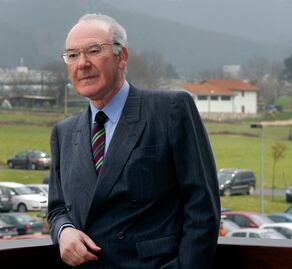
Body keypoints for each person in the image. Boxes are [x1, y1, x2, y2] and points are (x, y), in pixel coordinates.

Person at [47, 13, 220, 269]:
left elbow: (202, 208)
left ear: (122, 56)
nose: (82, 63)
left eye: (94, 50)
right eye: (72, 55)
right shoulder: (63, 133)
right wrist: (64, 231)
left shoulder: (170, 110)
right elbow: (57, 209)